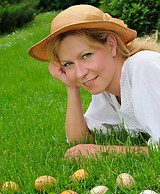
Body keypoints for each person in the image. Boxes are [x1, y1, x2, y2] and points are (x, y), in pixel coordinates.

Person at [28, 4, 160, 159]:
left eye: (86, 55)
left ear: (111, 45)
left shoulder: (143, 67)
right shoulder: (106, 88)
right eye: (68, 64)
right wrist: (71, 87)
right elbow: (79, 141)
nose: (80, 73)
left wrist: (104, 152)